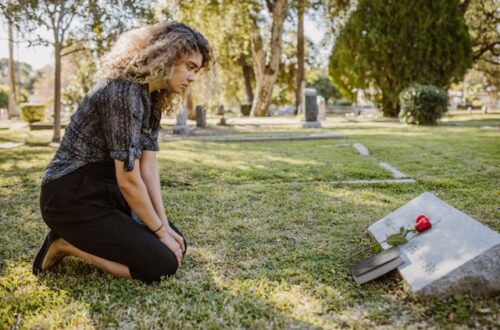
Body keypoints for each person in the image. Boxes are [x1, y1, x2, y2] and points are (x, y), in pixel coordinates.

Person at [33, 22, 212, 283]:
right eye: (189, 67)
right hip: (71, 195)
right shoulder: (122, 91)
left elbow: (148, 168)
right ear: (167, 56)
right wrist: (160, 233)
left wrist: (163, 225)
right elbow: (129, 179)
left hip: (107, 192)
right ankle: (64, 243)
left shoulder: (153, 97)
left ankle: (84, 237)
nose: (192, 77)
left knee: (177, 243)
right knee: (162, 264)